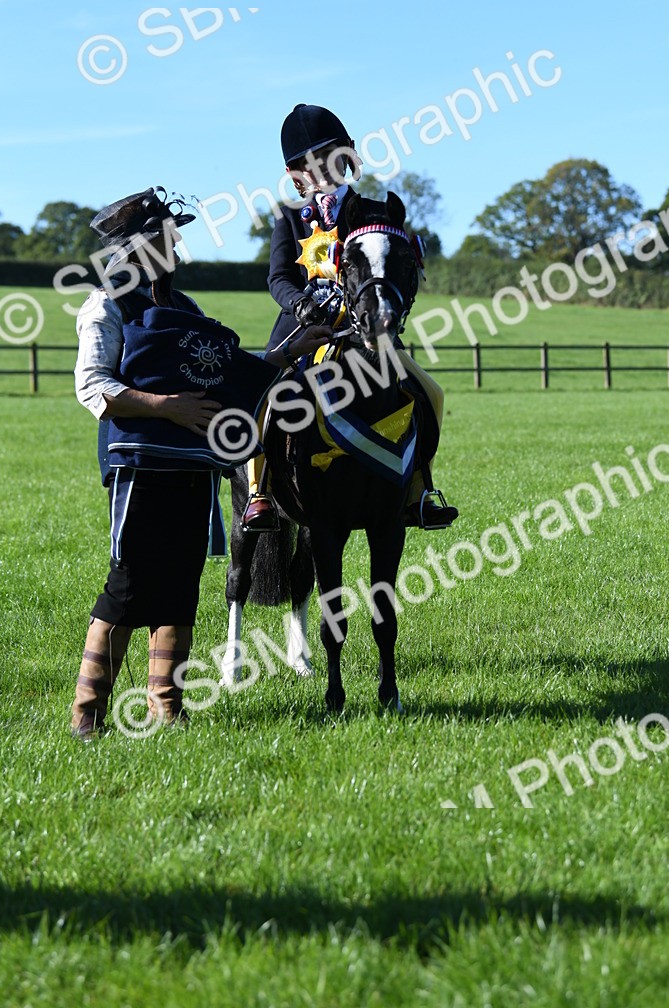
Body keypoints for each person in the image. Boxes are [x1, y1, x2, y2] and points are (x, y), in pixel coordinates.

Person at [70, 187, 328, 740]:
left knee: (183, 582)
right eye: (170, 234)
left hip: (194, 464)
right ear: (141, 248)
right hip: (139, 465)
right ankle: (88, 714)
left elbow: (226, 369)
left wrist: (289, 350)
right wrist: (168, 406)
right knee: (130, 581)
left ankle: (168, 705)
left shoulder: (186, 311)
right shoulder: (107, 305)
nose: (180, 242)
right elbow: (93, 387)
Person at [242, 104, 458, 532]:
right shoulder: (288, 217)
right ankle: (259, 493)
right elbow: (278, 276)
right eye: (312, 162)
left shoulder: (374, 210)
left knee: (430, 393)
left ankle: (419, 490)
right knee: (263, 398)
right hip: (304, 326)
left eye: (333, 155)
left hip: (365, 325)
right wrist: (300, 303)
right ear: (297, 171)